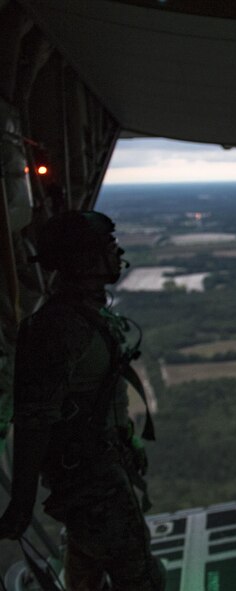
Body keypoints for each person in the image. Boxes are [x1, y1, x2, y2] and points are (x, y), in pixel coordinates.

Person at [0, 210, 163, 591]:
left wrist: (127, 440)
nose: (117, 252)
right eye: (108, 245)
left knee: (86, 570)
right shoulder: (59, 328)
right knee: (142, 579)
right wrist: (22, 504)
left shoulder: (81, 315)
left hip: (96, 471)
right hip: (92, 480)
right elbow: (33, 420)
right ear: (84, 259)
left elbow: (93, 400)